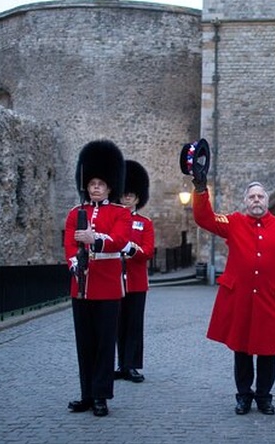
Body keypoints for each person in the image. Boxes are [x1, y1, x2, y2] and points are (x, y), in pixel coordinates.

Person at [191, 176, 275, 416]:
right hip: (241, 299)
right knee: (241, 351)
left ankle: (264, 397)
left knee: (268, 352)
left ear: (267, 201)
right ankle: (243, 395)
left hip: (271, 299)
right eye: (252, 197)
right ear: (245, 201)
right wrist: (200, 190)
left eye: (260, 196)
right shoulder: (233, 222)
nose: (256, 200)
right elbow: (204, 218)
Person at [64, 140, 133, 417]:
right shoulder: (75, 213)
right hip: (81, 287)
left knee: (105, 344)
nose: (95, 188)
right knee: (85, 344)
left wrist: (95, 239)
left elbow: (120, 240)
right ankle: (86, 394)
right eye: (92, 183)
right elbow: (69, 244)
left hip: (107, 287)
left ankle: (101, 395)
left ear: (109, 187)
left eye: (100, 184)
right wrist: (75, 264)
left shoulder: (120, 213)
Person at [115, 160, 155, 384]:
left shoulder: (144, 223)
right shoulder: (112, 220)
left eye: (130, 195)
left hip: (136, 281)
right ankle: (121, 364)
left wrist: (131, 250)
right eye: (124, 195)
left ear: (137, 198)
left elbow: (147, 251)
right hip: (114, 280)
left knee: (133, 325)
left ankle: (131, 365)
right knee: (117, 324)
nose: (126, 198)